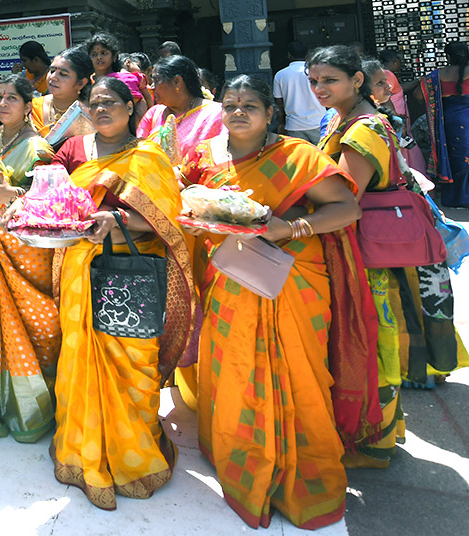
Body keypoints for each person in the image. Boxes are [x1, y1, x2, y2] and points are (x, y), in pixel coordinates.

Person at [183, 73, 364, 529]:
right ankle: (240, 456)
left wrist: (290, 228)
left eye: (249, 105)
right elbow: (188, 210)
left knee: (295, 373)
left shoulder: (297, 156)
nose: (238, 112)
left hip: (289, 280)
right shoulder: (204, 159)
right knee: (235, 367)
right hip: (228, 279)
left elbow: (346, 208)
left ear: (270, 114)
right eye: (230, 104)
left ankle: (301, 471)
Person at [313, 45, 467, 467]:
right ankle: (386, 430)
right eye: (314, 81)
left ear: (356, 80)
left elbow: (345, 196)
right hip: (377, 245)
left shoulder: (361, 130)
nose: (319, 89)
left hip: (370, 252)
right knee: (377, 337)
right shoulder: (356, 118)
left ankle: (375, 441)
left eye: (329, 80)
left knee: (374, 339)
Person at [51, 76, 195, 512]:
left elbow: (170, 219)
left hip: (129, 276)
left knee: (133, 362)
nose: (100, 110)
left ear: (131, 107)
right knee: (80, 361)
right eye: (93, 103)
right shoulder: (77, 151)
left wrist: (116, 219)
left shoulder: (148, 155)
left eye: (110, 102)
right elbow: (59, 204)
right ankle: (82, 453)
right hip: (82, 269)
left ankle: (136, 460)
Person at [0, 74, 59, 442]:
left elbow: (50, 197)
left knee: (34, 327)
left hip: (25, 249)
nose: (3, 104)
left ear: (27, 104)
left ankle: (34, 409)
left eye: (11, 99)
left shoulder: (39, 147)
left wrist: (10, 192)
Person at [0, 46, 95, 151]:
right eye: (51, 71)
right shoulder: (32, 107)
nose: (53, 77)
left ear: (80, 83)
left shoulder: (91, 113)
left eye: (63, 74)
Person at [138, 55, 226, 162]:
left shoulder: (214, 114)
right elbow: (139, 155)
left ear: (177, 82)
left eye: (156, 80)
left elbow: (221, 158)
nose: (152, 86)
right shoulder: (154, 113)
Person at [422, 41, 469, 206]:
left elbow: (419, 95)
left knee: (455, 158)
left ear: (447, 57)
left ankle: (455, 198)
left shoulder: (437, 75)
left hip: (450, 121)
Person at [84, 33, 152, 123]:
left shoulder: (125, 80)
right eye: (94, 54)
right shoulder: (87, 82)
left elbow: (142, 105)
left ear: (114, 56)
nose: (99, 57)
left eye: (104, 53)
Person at [273, 42, 325, 143]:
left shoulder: (280, 75)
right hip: (318, 122)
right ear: (308, 56)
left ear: (289, 55)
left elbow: (278, 103)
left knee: (300, 157)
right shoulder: (316, 72)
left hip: (294, 126)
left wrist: (281, 124)